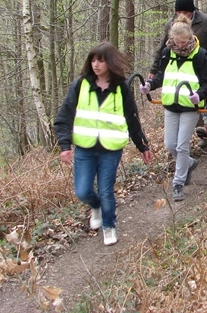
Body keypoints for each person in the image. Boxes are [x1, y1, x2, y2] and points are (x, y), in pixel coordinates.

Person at [54, 42, 153, 246]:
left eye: (100, 60)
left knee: (106, 189)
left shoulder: (121, 89)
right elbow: (64, 116)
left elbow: (132, 119)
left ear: (110, 62)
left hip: (110, 149)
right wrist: (65, 146)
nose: (96, 64)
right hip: (85, 148)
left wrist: (142, 146)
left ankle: (109, 226)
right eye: (93, 60)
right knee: (82, 191)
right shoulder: (80, 85)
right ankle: (96, 206)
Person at [139, 16, 207, 202]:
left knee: (182, 146)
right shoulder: (167, 52)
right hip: (171, 105)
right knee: (170, 145)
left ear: (190, 38)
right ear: (172, 39)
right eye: (178, 42)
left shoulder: (200, 55)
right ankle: (189, 163)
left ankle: (178, 183)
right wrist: (149, 85)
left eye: (185, 42)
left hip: (190, 106)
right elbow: (162, 76)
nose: (181, 46)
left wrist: (200, 95)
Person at [149, 0, 207, 148]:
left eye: (186, 13)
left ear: (192, 11)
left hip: (203, 70)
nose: (182, 16)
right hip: (180, 74)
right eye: (179, 12)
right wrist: (154, 70)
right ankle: (193, 140)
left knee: (200, 100)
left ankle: (205, 131)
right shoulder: (171, 25)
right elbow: (162, 49)